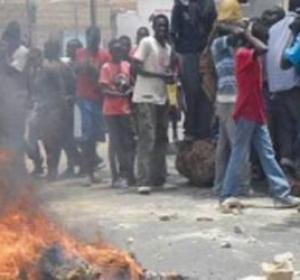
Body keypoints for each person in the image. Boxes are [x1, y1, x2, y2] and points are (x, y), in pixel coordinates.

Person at [220, 21, 300, 208]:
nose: (267, 42)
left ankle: (281, 194)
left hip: (256, 111)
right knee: (239, 153)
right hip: (246, 111)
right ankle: (227, 193)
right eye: (264, 38)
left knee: (267, 153)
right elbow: (262, 48)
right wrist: (247, 34)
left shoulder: (252, 56)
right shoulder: (243, 54)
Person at [133, 14, 173, 193]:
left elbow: (168, 72)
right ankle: (142, 180)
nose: (162, 29)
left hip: (161, 98)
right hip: (146, 96)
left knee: (161, 139)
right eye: (159, 26)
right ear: (154, 27)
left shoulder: (168, 48)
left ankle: (158, 177)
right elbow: (136, 67)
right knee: (147, 138)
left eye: (165, 26)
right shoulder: (147, 43)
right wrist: (160, 76)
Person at [211, 23, 250, 196]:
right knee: (238, 144)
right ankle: (241, 186)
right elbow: (236, 35)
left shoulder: (233, 48)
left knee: (225, 145)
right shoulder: (218, 44)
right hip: (229, 100)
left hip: (229, 100)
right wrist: (242, 29)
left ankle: (220, 185)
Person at [171, 0, 217, 140]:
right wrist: (174, 55)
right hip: (187, 53)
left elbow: (213, 28)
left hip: (206, 51)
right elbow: (174, 32)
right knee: (191, 92)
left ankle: (206, 129)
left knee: (207, 92)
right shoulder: (180, 5)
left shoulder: (209, 4)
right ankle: (191, 128)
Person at [266, 0, 300, 177]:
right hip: (293, 86)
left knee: (285, 128)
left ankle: (286, 167)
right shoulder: (295, 29)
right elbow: (287, 61)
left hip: (275, 87)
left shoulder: (273, 29)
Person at [75, 26, 110, 186]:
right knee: (86, 134)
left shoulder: (104, 54)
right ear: (87, 37)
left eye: (96, 37)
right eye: (91, 37)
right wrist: (84, 66)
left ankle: (93, 168)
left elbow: (106, 75)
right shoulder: (80, 53)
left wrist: (94, 71)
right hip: (84, 98)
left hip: (99, 98)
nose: (94, 40)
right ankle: (88, 171)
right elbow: (76, 70)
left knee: (96, 135)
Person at [100, 39, 135, 188]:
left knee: (128, 142)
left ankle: (128, 173)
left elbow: (132, 84)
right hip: (111, 110)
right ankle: (116, 176)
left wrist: (129, 91)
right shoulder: (106, 67)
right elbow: (103, 88)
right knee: (115, 143)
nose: (118, 53)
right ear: (110, 52)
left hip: (125, 109)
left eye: (120, 50)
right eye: (115, 50)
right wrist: (117, 94)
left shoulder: (127, 66)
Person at [60, 39, 83, 178]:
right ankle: (71, 164)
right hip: (66, 104)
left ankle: (83, 164)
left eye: (72, 48)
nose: (69, 50)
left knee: (79, 137)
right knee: (65, 136)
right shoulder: (65, 65)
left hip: (79, 104)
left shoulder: (81, 65)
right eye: (68, 47)